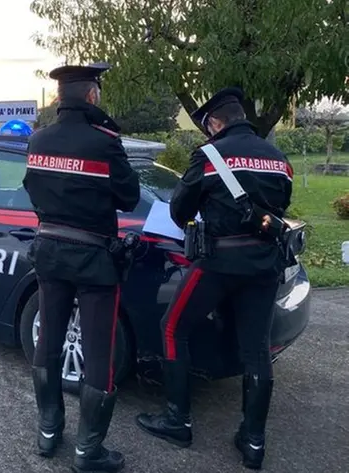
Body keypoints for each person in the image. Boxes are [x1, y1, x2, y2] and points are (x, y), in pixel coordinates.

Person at [135, 87, 293, 471]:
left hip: (219, 262)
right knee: (256, 348)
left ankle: (177, 420)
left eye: (209, 128)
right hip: (265, 264)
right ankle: (253, 442)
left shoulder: (210, 156)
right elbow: (281, 205)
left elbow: (179, 209)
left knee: (173, 327)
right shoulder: (279, 158)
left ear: (216, 123)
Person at [23, 62, 140, 473]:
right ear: (92, 96)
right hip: (94, 262)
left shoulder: (38, 140)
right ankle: (88, 452)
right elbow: (128, 197)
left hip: (50, 253)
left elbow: (32, 189)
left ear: (59, 98)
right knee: (98, 353)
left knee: (49, 342)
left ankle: (48, 431)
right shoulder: (104, 142)